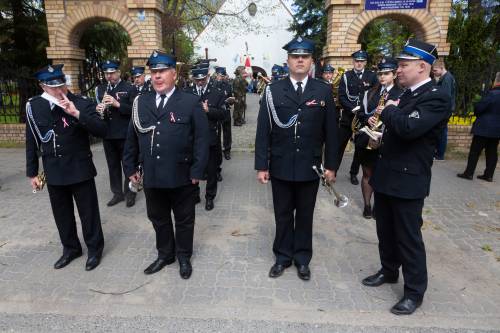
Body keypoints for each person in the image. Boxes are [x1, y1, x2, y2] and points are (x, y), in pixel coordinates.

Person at [362, 39, 451, 315]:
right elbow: (396, 127)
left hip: (409, 180)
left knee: (408, 238)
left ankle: (414, 292)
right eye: (398, 65)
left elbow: (409, 127)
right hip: (387, 175)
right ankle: (388, 271)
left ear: (422, 67)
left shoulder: (436, 96)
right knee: (385, 231)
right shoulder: (405, 94)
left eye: (403, 65)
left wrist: (388, 110)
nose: (398, 70)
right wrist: (379, 136)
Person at [255, 37, 338, 281]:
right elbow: (263, 130)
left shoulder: (322, 90)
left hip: (309, 167)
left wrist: (331, 166)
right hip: (280, 164)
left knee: (304, 215)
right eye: (295, 56)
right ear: (288, 61)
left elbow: (331, 132)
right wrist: (262, 165)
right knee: (281, 214)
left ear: (312, 61)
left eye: (304, 56)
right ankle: (282, 257)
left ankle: (302, 258)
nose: (299, 60)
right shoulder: (273, 90)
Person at [123, 50, 209, 279]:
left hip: (182, 175)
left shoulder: (190, 102)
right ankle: (165, 254)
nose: (157, 76)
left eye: (162, 71)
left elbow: (202, 139)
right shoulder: (141, 102)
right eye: (154, 72)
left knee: (184, 219)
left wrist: (198, 170)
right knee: (158, 217)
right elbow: (131, 136)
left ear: (174, 74)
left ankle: (183, 256)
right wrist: (130, 167)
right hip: (152, 174)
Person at [26, 64, 106, 271]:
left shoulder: (81, 103)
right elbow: (32, 140)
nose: (59, 90)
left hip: (80, 168)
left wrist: (76, 113)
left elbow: (101, 130)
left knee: (88, 213)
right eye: (53, 87)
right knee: (62, 214)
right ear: (42, 86)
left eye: (62, 85)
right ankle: (71, 248)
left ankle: (95, 249)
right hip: (53, 170)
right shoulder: (34, 106)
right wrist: (32, 172)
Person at [354, 57, 403, 219]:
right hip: (367, 138)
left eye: (386, 73)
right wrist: (367, 118)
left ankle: (379, 207)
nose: (382, 77)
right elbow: (360, 112)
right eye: (380, 73)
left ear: (394, 74)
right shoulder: (370, 92)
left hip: (386, 142)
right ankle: (367, 206)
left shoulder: (401, 93)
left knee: (382, 176)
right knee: (367, 174)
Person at [95, 60, 138, 207]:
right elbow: (98, 111)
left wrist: (117, 104)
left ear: (118, 72)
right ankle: (117, 193)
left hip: (125, 133)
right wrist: (99, 109)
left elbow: (135, 109)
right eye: (106, 73)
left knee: (128, 165)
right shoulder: (100, 89)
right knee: (112, 165)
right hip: (108, 134)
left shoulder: (129, 88)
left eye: (112, 73)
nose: (109, 76)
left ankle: (130, 192)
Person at [186, 66, 226, 210]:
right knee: (192, 168)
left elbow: (223, 114)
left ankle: (210, 197)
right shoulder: (187, 93)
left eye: (203, 79)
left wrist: (209, 110)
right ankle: (195, 194)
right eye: (197, 80)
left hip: (210, 138)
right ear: (193, 79)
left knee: (211, 170)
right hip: (191, 138)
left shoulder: (217, 93)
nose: (200, 82)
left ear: (207, 77)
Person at [337, 50, 378, 185]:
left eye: (361, 61)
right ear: (353, 61)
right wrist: (352, 108)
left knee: (359, 149)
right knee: (339, 145)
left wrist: (363, 112)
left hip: (364, 118)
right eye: (356, 61)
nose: (359, 63)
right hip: (348, 117)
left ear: (365, 62)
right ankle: (333, 171)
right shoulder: (346, 76)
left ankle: (353, 173)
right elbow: (342, 96)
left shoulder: (372, 77)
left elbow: (375, 96)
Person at [457, 72, 500, 182]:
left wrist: (477, 107)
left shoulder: (492, 94)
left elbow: (480, 108)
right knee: (492, 152)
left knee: (475, 151)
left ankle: (469, 173)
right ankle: (488, 175)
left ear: (496, 80)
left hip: (484, 127)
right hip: (497, 129)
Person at [432, 59, 456, 160]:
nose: (434, 73)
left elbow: (445, 97)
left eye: (435, 70)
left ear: (442, 68)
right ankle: (439, 153)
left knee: (442, 132)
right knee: (441, 131)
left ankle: (439, 154)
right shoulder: (446, 77)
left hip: (444, 111)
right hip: (446, 110)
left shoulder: (446, 79)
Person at [214, 66, 234, 160]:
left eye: (223, 75)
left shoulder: (228, 85)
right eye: (221, 75)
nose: (223, 77)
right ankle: (217, 150)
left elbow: (230, 96)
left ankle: (227, 150)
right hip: (217, 112)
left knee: (227, 132)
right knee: (217, 132)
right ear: (217, 75)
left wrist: (231, 100)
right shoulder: (213, 84)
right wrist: (217, 82)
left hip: (225, 110)